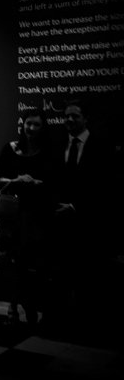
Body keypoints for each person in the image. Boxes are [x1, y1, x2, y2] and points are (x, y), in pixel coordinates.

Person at [44, 99, 115, 335]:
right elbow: (53, 180)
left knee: (88, 277)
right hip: (59, 222)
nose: (70, 120)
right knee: (61, 274)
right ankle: (59, 322)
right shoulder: (58, 144)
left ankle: (87, 325)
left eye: (75, 116)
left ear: (86, 119)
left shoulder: (101, 146)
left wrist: (76, 207)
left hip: (89, 223)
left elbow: (105, 186)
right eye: (66, 116)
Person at [0, 108, 52, 328]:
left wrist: (35, 183)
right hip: (13, 215)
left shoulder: (47, 151)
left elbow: (53, 182)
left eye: (36, 124)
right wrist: (19, 180)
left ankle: (29, 304)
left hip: (36, 215)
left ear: (42, 127)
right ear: (22, 124)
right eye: (28, 123)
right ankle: (14, 306)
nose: (31, 128)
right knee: (12, 262)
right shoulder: (11, 149)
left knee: (33, 262)